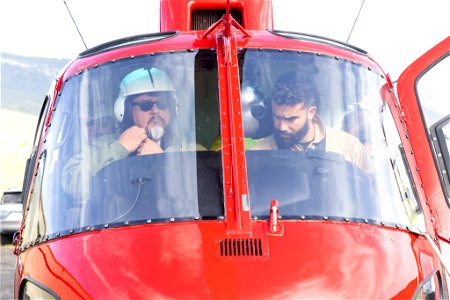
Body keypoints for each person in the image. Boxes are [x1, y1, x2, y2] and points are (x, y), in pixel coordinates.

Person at [62, 67, 195, 201]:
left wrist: (162, 159)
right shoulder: (102, 146)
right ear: (126, 110)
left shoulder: (188, 149)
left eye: (162, 103)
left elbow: (201, 187)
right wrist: (119, 149)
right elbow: (73, 184)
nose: (156, 110)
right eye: (146, 105)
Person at [251, 71, 373, 173]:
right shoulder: (257, 155)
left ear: (311, 112)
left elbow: (370, 196)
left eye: (291, 119)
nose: (282, 127)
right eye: (276, 117)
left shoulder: (351, 149)